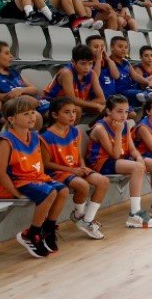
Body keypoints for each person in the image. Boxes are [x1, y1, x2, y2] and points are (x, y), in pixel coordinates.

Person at [0, 96, 69, 257]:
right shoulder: (5, 141)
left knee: (63, 191)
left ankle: (48, 229)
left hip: (34, 178)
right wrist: (14, 192)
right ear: (11, 119)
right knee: (50, 192)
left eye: (33, 112)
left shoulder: (34, 135)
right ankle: (32, 234)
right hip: (15, 181)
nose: (32, 116)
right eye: (26, 114)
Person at [86, 94, 152, 228]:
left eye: (126, 111)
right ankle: (135, 214)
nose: (124, 115)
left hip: (120, 159)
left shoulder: (124, 124)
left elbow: (132, 149)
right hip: (102, 162)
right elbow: (115, 155)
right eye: (119, 111)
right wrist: (117, 132)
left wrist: (139, 159)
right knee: (137, 168)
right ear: (108, 111)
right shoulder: (100, 128)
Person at [40, 97, 109, 239]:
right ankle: (78, 215)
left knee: (103, 181)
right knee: (82, 185)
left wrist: (83, 167)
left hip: (75, 168)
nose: (72, 115)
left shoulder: (75, 131)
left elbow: (78, 155)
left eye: (73, 112)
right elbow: (46, 164)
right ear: (54, 115)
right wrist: (72, 170)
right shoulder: (45, 137)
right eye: (67, 112)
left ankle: (87, 220)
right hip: (57, 172)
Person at [0, 40, 50, 123]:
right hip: (16, 107)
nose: (11, 56)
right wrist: (23, 98)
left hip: (34, 102)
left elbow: (34, 89)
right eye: (7, 53)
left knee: (65, 110)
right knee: (57, 115)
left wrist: (21, 90)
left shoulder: (14, 72)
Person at [42, 44, 106, 115]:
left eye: (90, 63)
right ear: (73, 62)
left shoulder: (92, 73)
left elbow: (101, 99)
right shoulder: (66, 73)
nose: (87, 67)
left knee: (107, 108)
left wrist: (93, 106)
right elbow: (71, 100)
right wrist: (95, 105)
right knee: (76, 110)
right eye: (83, 64)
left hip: (71, 105)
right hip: (50, 104)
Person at [107, 36, 147, 106]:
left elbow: (135, 76)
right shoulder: (109, 62)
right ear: (112, 47)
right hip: (120, 92)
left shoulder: (126, 62)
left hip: (130, 87)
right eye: (120, 46)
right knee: (142, 95)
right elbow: (115, 76)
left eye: (126, 47)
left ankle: (150, 91)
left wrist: (148, 82)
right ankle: (148, 94)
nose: (124, 49)